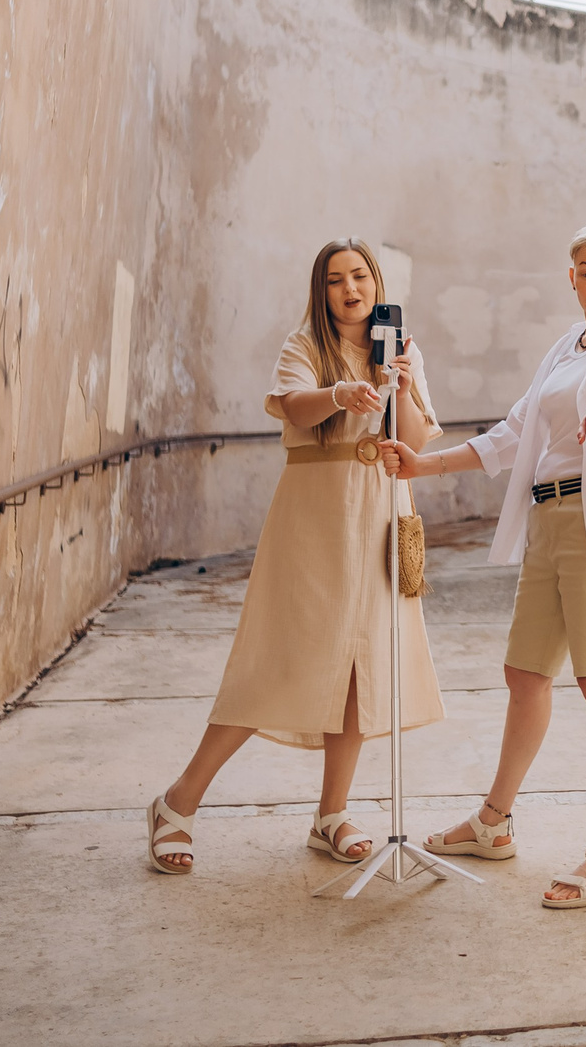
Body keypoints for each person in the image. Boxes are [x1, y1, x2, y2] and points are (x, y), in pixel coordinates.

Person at [145, 237, 444, 875]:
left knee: (364, 668)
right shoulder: (304, 345)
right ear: (322, 290)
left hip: (382, 512)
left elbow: (414, 442)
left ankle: (330, 814)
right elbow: (297, 407)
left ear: (377, 282)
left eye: (360, 276)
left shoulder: (401, 350)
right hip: (315, 520)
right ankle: (177, 802)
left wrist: (405, 384)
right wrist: (343, 394)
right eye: (336, 280)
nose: (351, 290)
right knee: (275, 661)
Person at [382, 220, 586, 908]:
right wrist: (425, 464)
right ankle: (494, 822)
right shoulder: (564, 346)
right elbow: (512, 432)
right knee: (525, 672)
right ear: (571, 277)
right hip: (549, 518)